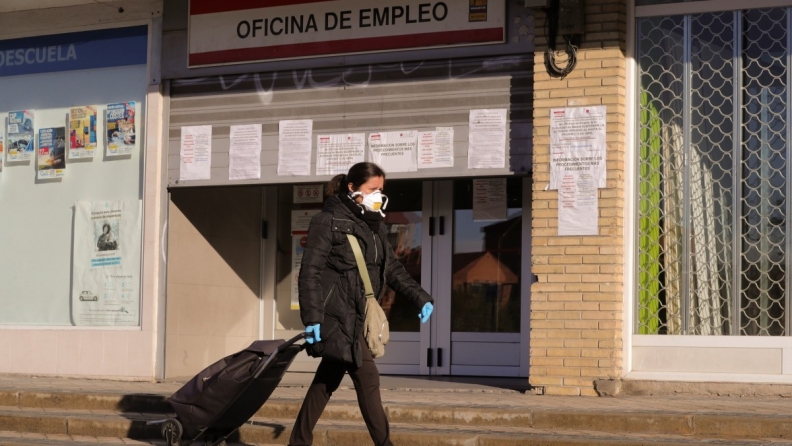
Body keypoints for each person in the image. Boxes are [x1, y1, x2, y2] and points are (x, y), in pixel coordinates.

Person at [290, 162, 434, 446]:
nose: (378, 194)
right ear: (352, 188)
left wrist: (420, 298)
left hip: (358, 315)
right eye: (372, 189)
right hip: (337, 317)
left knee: (326, 381)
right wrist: (313, 317)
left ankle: (298, 442)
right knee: (368, 379)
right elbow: (310, 272)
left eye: (381, 189)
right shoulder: (327, 221)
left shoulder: (374, 225)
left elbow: (392, 269)